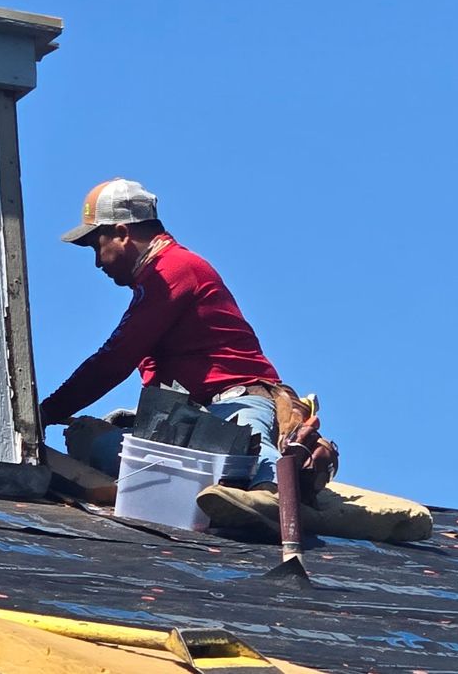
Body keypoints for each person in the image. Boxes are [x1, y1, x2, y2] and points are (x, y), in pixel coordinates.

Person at [39, 178, 303, 493]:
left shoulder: (173, 271)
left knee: (252, 469)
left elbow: (114, 360)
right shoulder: (157, 280)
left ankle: (271, 490)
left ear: (122, 234)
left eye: (97, 245)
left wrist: (46, 412)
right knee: (94, 441)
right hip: (200, 419)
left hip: (236, 406)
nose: (97, 262)